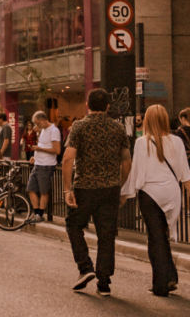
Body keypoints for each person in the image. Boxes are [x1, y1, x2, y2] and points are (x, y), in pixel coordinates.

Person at [61, 88, 131, 296]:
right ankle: (104, 282)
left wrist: (67, 189)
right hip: (110, 189)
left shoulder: (79, 126)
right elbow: (127, 162)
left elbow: (67, 159)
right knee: (106, 234)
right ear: (108, 106)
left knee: (74, 226)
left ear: (87, 105)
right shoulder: (117, 128)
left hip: (84, 188)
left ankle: (85, 267)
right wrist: (120, 185)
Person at [120, 104, 190, 296]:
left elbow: (137, 173)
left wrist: (125, 193)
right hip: (172, 194)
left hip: (150, 195)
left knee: (155, 238)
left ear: (148, 120)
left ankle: (161, 285)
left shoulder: (142, 142)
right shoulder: (177, 141)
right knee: (162, 236)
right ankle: (170, 277)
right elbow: (185, 174)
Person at [27, 112, 61, 222]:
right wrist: (35, 156)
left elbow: (57, 150)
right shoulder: (43, 131)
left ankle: (40, 214)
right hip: (38, 163)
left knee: (43, 191)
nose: (37, 126)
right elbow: (42, 145)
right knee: (31, 188)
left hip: (46, 164)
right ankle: (36, 212)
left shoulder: (53, 131)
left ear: (43, 119)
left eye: (38, 123)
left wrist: (40, 150)